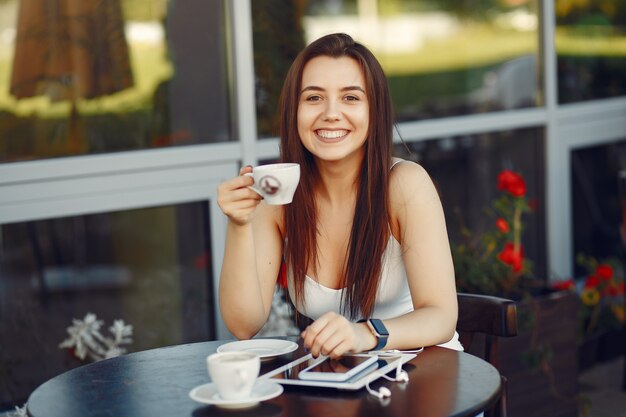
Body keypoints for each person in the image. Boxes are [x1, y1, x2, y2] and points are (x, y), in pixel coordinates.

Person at [217, 33, 462, 358]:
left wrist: (366, 334)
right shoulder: (280, 197)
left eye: (350, 98)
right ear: (294, 111)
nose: (331, 113)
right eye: (314, 98)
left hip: (428, 375)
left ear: (375, 111)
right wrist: (239, 224)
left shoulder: (404, 185)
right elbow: (243, 324)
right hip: (347, 384)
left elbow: (441, 316)